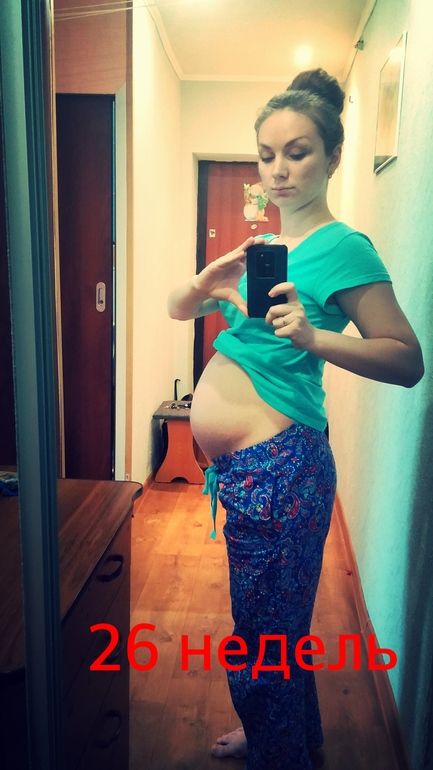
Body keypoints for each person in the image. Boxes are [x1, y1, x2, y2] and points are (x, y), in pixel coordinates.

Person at [168, 68, 424, 770]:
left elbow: (406, 358)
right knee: (273, 630)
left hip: (281, 471)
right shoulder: (264, 253)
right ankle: (285, 739)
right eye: (266, 154)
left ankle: (278, 754)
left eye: (297, 152)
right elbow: (178, 309)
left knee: (262, 640)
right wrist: (204, 282)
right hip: (251, 473)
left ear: (333, 156)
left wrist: (313, 337)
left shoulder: (345, 248)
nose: (278, 169)